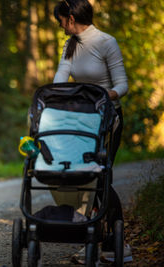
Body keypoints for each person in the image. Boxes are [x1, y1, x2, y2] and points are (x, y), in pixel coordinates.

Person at [52, 0, 132, 264]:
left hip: (108, 118)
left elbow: (122, 85)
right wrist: (53, 96)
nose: (61, 27)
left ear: (71, 18)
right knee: (83, 177)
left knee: (101, 178)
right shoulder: (70, 46)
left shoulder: (106, 42)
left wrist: (100, 95)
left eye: (61, 21)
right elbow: (61, 77)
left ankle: (116, 242)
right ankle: (91, 240)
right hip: (81, 119)